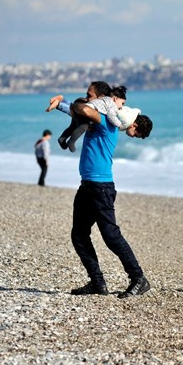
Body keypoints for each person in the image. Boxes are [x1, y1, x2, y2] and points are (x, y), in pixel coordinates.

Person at [47, 82, 154, 298]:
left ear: (102, 99)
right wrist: (61, 104)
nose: (88, 98)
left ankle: (138, 278)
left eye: (91, 95)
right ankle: (97, 282)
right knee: (79, 235)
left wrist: (73, 102)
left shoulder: (105, 121)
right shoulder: (98, 119)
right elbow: (79, 111)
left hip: (101, 188)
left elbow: (83, 109)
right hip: (87, 185)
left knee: (111, 236)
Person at [46, 85, 127, 153]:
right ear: (115, 98)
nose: (121, 107)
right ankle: (71, 141)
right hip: (87, 110)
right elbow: (111, 116)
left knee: (72, 126)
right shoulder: (111, 104)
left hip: (83, 106)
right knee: (83, 125)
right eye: (122, 103)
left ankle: (62, 138)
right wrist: (119, 124)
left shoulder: (104, 100)